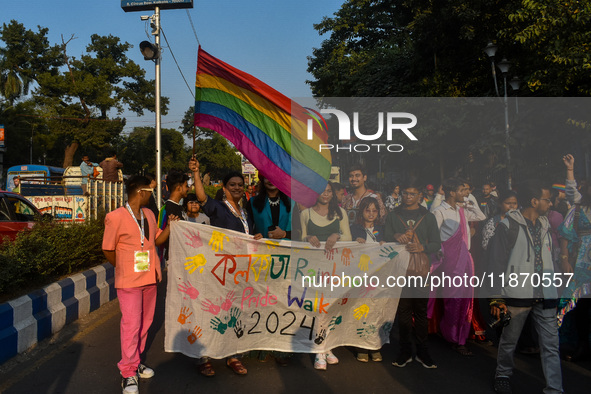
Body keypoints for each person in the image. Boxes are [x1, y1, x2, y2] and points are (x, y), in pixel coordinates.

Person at [102, 175, 177, 394]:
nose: (152, 196)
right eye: (151, 191)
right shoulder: (115, 217)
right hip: (129, 281)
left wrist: (170, 227)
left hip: (150, 278)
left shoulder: (150, 214)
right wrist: (123, 268)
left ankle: (135, 362)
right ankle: (127, 372)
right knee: (131, 325)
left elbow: (156, 240)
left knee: (145, 324)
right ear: (141, 192)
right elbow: (107, 248)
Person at [189, 157, 262, 376]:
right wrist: (196, 173)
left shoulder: (245, 211)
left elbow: (246, 236)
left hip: (241, 271)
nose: (237, 187)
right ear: (225, 187)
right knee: (211, 311)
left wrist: (255, 238)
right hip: (219, 270)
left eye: (240, 185)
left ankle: (233, 355)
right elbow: (202, 198)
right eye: (233, 185)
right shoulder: (219, 208)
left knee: (235, 312)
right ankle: (204, 356)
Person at [488, 181, 562, 394]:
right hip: (517, 293)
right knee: (510, 340)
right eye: (547, 199)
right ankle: (502, 374)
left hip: (545, 293)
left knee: (551, 345)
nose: (550, 203)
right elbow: (496, 262)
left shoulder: (545, 224)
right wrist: (496, 297)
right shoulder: (508, 225)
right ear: (534, 201)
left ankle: (555, 388)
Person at [385, 183, 441, 369]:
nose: (408, 196)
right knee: (403, 312)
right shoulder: (393, 215)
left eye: (413, 193)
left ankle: (423, 352)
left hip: (420, 270)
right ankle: (405, 350)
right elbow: (384, 237)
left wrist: (422, 247)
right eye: (405, 192)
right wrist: (396, 235)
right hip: (399, 268)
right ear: (401, 194)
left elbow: (436, 244)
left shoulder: (428, 217)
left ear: (420, 195)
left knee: (420, 312)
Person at [430, 177, 486, 356]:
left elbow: (481, 216)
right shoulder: (440, 211)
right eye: (462, 190)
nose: (466, 193)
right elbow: (434, 236)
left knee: (466, 298)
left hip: (466, 258)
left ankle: (460, 335)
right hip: (450, 260)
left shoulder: (463, 210)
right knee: (453, 299)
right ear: (452, 192)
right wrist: (441, 253)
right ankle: (452, 336)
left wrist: (470, 201)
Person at [300, 181, 352, 370]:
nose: (326, 194)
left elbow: (348, 237)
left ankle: (326, 345)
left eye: (329, 191)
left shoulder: (340, 214)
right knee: (318, 308)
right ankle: (319, 349)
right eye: (322, 191)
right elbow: (302, 238)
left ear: (333, 194)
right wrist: (307, 238)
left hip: (335, 267)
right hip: (314, 268)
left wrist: (336, 235)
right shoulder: (305, 214)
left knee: (331, 307)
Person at [157, 170, 190, 261]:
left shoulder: (177, 207)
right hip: (174, 259)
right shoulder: (170, 209)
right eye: (186, 186)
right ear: (179, 188)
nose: (188, 188)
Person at [249, 175, 292, 240]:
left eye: (275, 177)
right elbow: (247, 228)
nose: (271, 180)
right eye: (267, 177)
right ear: (262, 180)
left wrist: (284, 234)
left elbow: (300, 231)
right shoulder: (253, 202)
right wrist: (255, 236)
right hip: (261, 247)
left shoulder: (291, 202)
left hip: (285, 248)